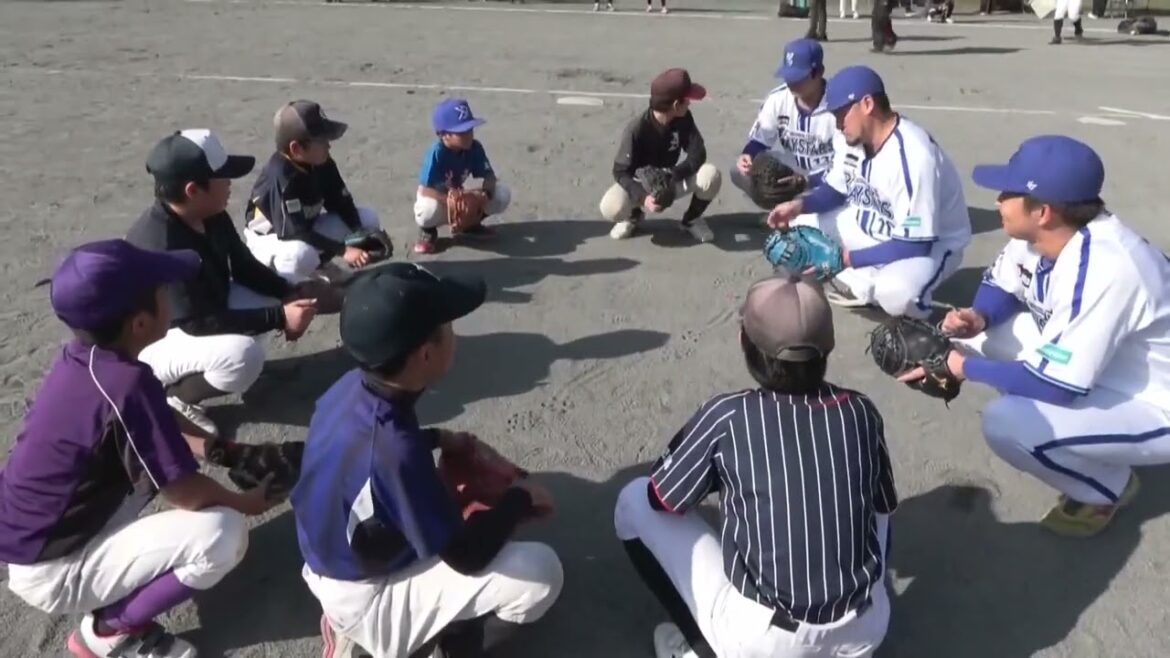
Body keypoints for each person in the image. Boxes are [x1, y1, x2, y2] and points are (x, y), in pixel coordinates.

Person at [1, 239, 278, 658]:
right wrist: (244, 502)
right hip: (54, 568)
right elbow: (183, 490)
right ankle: (109, 630)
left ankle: (110, 590)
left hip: (41, 536)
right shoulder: (125, 384)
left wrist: (227, 452)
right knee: (223, 533)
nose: (169, 294)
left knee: (153, 466)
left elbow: (155, 419)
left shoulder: (87, 359)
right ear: (140, 324)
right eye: (161, 290)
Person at [614, 270, 898, 658]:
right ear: (828, 348)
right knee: (882, 509)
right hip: (865, 629)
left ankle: (698, 648)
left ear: (743, 341)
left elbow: (661, 499)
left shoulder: (727, 415)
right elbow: (882, 508)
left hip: (767, 643)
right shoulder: (861, 410)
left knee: (632, 500)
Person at [899, 135, 1170, 537]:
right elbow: (1005, 286)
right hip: (1112, 368)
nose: (997, 202)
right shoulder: (1048, 235)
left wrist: (961, 368)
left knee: (1007, 423)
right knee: (979, 341)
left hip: (1156, 402)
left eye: (1007, 193)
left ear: (1042, 211)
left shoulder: (1110, 267)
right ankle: (1084, 445)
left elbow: (1059, 388)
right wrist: (978, 316)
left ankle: (1106, 487)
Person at [291, 263, 564, 658]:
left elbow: (367, 450)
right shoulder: (393, 451)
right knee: (540, 574)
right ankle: (394, 642)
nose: (456, 333)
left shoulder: (352, 387)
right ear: (424, 354)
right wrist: (520, 499)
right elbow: (466, 557)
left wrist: (439, 439)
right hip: (364, 594)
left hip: (334, 558)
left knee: (459, 514)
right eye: (448, 326)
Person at [127, 129, 322, 438]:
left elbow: (243, 267)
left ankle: (229, 366)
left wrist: (289, 293)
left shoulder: (209, 212)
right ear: (193, 189)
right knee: (243, 356)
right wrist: (281, 317)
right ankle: (177, 396)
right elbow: (198, 323)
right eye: (223, 177)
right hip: (156, 340)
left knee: (279, 294)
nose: (231, 183)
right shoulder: (160, 242)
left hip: (200, 311)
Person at [766, 66, 972, 318]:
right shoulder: (853, 140)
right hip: (876, 226)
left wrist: (847, 258)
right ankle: (865, 283)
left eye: (842, 113)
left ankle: (919, 325)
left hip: (933, 243)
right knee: (798, 225)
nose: (838, 123)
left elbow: (914, 245)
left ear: (867, 104)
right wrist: (798, 206)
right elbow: (836, 191)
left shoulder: (913, 157)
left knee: (896, 294)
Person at [242, 100, 384, 285]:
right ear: (296, 148)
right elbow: (293, 232)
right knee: (301, 255)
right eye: (321, 140)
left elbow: (341, 202)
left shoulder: (321, 162)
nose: (329, 145)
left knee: (368, 219)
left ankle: (319, 266)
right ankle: (283, 286)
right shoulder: (280, 176)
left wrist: (359, 234)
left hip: (304, 229)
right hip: (269, 240)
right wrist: (344, 250)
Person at [601, 67, 723, 243]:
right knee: (610, 207)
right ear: (675, 105)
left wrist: (672, 175)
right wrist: (644, 197)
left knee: (711, 175)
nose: (689, 104)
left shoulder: (684, 118)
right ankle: (633, 216)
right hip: (642, 186)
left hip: (672, 181)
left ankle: (691, 220)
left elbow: (698, 154)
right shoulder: (636, 129)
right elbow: (620, 171)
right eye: (687, 100)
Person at [731, 38, 835, 209]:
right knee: (739, 172)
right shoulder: (778, 98)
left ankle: (800, 211)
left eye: (798, 77)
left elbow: (848, 166)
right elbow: (760, 141)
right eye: (788, 76)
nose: (791, 82)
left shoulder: (837, 103)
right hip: (793, 168)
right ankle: (783, 209)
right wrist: (748, 155)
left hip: (827, 175)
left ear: (819, 72)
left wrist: (808, 181)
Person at [413, 98, 512, 255]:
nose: (468, 135)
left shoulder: (474, 148)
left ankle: (470, 224)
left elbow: (490, 177)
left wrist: (482, 195)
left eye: (470, 130)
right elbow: (425, 190)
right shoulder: (437, 153)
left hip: (459, 195)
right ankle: (428, 231)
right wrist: (453, 202)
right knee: (426, 211)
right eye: (461, 132)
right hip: (438, 199)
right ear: (443, 134)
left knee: (502, 193)